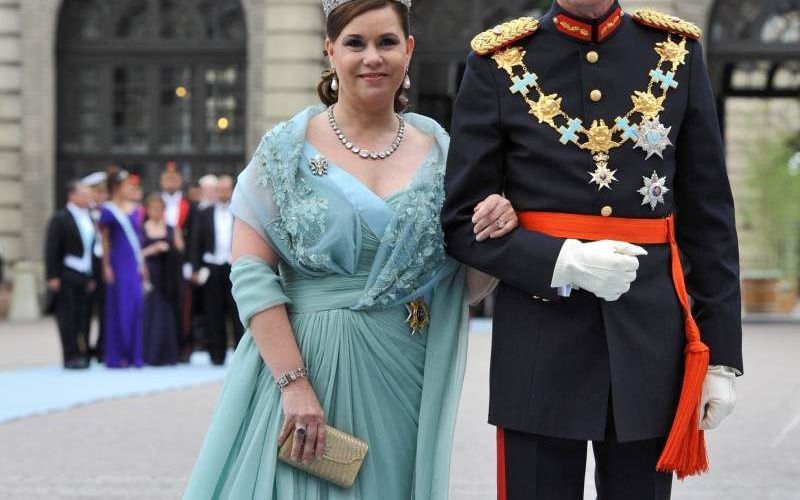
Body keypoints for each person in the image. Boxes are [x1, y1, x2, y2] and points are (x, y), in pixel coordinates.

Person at [183, 1, 518, 498]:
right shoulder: (286, 149)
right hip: (305, 368)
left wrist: (496, 233)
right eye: (355, 43)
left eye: (386, 42)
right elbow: (252, 274)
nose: (372, 58)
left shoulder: (445, 152)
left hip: (403, 373)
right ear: (330, 51)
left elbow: (461, 286)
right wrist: (294, 384)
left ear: (409, 50)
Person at [442, 1, 743, 498]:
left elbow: (708, 218)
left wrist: (721, 357)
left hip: (648, 343)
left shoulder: (676, 53)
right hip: (540, 336)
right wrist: (559, 262)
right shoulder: (498, 59)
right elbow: (460, 221)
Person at [190, 175, 242, 365]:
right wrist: (195, 268)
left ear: (232, 190)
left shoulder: (240, 212)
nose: (222, 192)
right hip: (211, 268)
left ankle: (240, 354)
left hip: (234, 267)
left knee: (237, 312)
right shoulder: (204, 213)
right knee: (213, 312)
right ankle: (216, 355)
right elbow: (195, 241)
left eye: (226, 189)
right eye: (219, 189)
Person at [44, 180, 96, 369]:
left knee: (83, 316)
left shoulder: (90, 217)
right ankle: (70, 355)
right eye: (84, 194)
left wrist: (92, 276)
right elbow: (51, 249)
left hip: (85, 273)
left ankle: (83, 353)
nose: (89, 197)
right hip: (66, 273)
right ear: (72, 196)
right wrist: (52, 276)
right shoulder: (61, 218)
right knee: (67, 316)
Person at [99, 167, 145, 368]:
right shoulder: (108, 210)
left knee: (136, 306)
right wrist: (106, 265)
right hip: (117, 263)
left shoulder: (136, 208)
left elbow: (140, 238)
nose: (131, 188)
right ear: (117, 187)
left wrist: (143, 263)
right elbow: (105, 240)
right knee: (118, 307)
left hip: (134, 262)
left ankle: (135, 354)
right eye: (127, 185)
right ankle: (117, 356)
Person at [140, 193, 184, 366]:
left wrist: (174, 245)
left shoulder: (172, 228)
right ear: (148, 210)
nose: (156, 212)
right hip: (150, 275)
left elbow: (180, 251)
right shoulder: (142, 228)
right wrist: (153, 249)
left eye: (160, 209)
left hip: (168, 276)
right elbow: (136, 253)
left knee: (167, 314)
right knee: (151, 313)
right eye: (153, 209)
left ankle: (168, 354)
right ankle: (149, 354)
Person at [83, 171, 108, 362]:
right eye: (96, 192)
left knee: (105, 309)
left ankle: (101, 347)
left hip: (105, 264)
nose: (100, 196)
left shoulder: (108, 212)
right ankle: (84, 347)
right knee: (86, 309)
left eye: (103, 192)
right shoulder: (83, 212)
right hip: (88, 264)